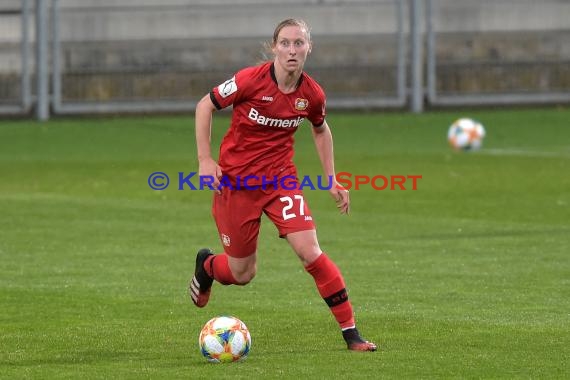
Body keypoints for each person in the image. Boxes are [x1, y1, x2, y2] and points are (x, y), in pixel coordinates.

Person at [189, 18, 377, 352]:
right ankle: (207, 266)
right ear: (274, 47)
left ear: (309, 47)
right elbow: (205, 105)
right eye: (286, 43)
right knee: (243, 273)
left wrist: (331, 178)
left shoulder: (311, 94)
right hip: (237, 186)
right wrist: (205, 160)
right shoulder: (250, 80)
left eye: (299, 43)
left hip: (280, 183)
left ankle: (352, 334)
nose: (292, 50)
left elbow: (320, 128)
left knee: (311, 252)